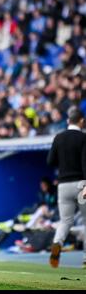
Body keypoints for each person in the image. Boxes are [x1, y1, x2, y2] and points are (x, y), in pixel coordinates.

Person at [47, 106, 86, 268]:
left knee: (65, 222)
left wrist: (63, 165)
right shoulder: (83, 138)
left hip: (63, 185)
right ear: (82, 121)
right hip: (80, 184)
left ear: (68, 121)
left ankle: (56, 246)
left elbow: (50, 162)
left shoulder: (58, 137)